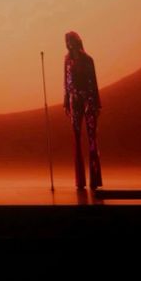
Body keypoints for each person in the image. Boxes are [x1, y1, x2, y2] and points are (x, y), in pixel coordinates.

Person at [63, 31, 102, 190]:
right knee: (77, 138)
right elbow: (66, 82)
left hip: (88, 99)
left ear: (77, 41)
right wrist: (66, 100)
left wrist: (97, 103)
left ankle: (95, 180)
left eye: (71, 40)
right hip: (74, 100)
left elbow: (94, 82)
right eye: (67, 40)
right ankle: (80, 181)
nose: (69, 43)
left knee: (92, 138)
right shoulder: (67, 60)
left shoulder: (88, 60)